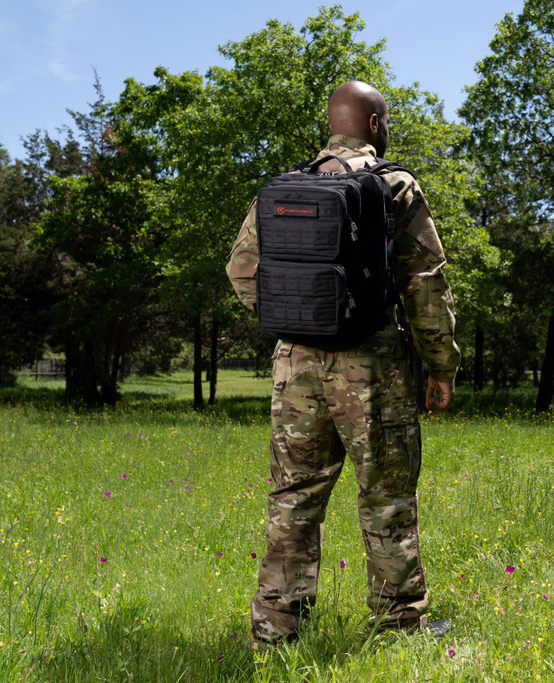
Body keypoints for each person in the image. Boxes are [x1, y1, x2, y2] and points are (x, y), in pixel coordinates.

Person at [226, 80, 460, 647]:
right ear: (375, 125)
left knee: (294, 497)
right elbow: (424, 284)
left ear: (332, 124)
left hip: (295, 367)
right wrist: (441, 366)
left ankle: (275, 631)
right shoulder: (394, 185)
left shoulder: (289, 185)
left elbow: (241, 269)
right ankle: (398, 629)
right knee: (386, 497)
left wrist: (298, 319)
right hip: (372, 369)